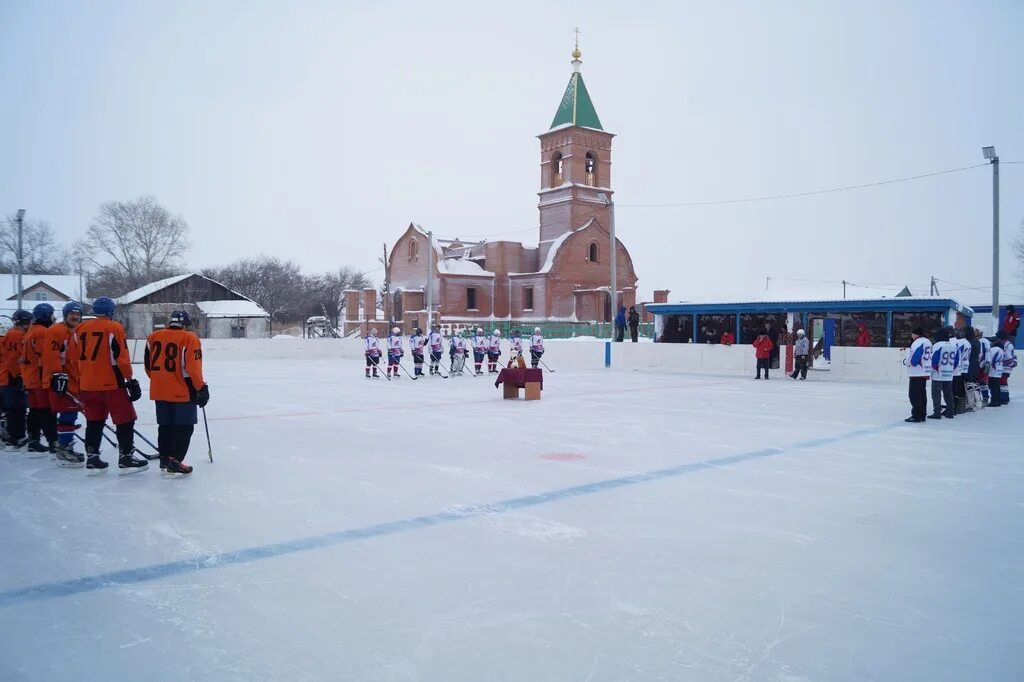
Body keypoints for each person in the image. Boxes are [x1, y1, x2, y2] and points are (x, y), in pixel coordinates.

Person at [70, 296, 146, 473]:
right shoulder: (114, 327)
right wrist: (130, 379)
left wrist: (81, 379)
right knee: (125, 420)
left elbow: (73, 359)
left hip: (87, 384)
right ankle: (126, 457)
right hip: (111, 383)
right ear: (111, 311)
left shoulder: (79, 329)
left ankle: (92, 458)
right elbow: (122, 358)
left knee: (94, 421)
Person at [144, 310, 208, 474]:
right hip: (182, 391)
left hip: (159, 390)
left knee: (165, 426)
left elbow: (147, 365)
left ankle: (164, 459)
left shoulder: (153, 337)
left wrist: (159, 380)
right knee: (184, 427)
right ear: (185, 323)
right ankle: (175, 460)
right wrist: (200, 388)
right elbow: (192, 368)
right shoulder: (189, 338)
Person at [43, 301, 86, 466]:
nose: (75, 317)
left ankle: (63, 447)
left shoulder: (75, 331)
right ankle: (64, 450)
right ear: (66, 314)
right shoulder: (57, 330)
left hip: (73, 380)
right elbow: (51, 355)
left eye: (77, 314)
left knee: (70, 414)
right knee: (68, 414)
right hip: (62, 380)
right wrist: (57, 375)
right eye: (72, 314)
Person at [22, 303, 59, 454]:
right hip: (40, 378)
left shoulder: (30, 331)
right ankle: (52, 442)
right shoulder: (43, 332)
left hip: (30, 377)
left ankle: (33, 439)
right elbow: (46, 356)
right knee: (46, 411)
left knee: (35, 410)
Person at [3, 310, 32, 448]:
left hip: (7, 376)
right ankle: (16, 436)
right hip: (11, 377)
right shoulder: (17, 335)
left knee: (13, 408)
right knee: (17, 408)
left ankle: (13, 433)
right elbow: (14, 358)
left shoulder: (11, 334)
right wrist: (19, 375)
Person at [903, 327, 932, 422]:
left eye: (912, 333)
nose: (911, 335)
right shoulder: (928, 341)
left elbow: (914, 359)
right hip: (925, 371)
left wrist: (906, 362)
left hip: (917, 372)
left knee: (914, 395)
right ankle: (922, 414)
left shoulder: (917, 342)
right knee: (922, 394)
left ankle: (916, 415)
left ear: (916, 334)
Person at [928, 328, 957, 419]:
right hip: (949, 374)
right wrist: (951, 369)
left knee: (936, 394)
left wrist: (933, 370)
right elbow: (956, 361)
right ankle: (950, 412)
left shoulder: (937, 345)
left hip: (938, 374)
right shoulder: (953, 345)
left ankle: (937, 412)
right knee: (948, 393)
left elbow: (934, 360)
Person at [951, 328, 971, 413]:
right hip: (965, 366)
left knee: (956, 387)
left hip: (960, 367)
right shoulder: (968, 343)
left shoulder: (960, 343)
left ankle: (956, 406)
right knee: (961, 386)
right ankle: (961, 406)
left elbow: (958, 354)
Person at [996, 330, 1016, 403]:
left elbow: (1008, 356)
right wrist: (1013, 363)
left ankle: (1004, 398)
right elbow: (1014, 355)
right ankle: (1005, 397)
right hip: (1008, 367)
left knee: (1002, 382)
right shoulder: (1009, 343)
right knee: (1003, 382)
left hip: (1005, 367)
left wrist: (1008, 363)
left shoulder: (1004, 344)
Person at [986, 337, 1005, 407]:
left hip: (993, 369)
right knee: (997, 386)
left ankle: (993, 401)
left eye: (991, 341)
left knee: (992, 386)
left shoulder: (992, 349)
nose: (990, 343)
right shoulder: (1001, 350)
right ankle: (998, 400)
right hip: (999, 369)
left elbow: (990, 359)